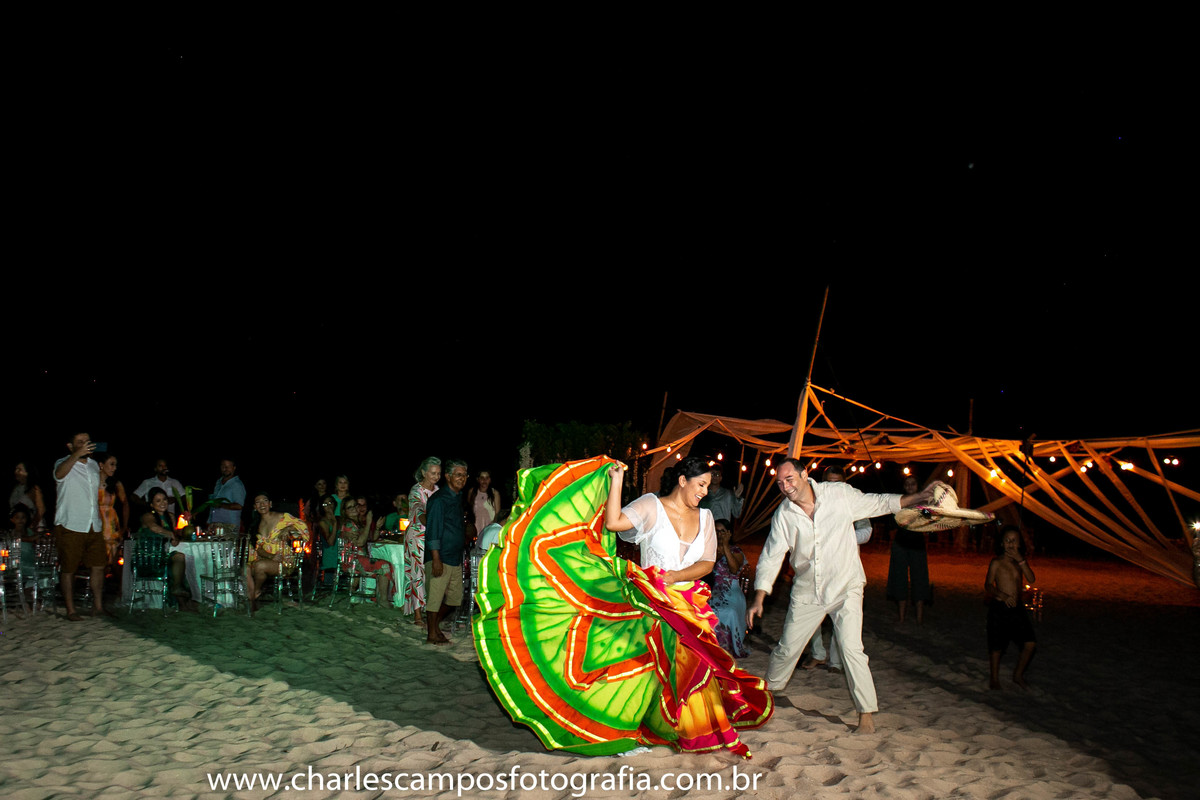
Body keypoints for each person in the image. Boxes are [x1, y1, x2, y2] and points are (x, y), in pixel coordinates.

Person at [475, 456, 772, 758]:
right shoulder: (651, 505)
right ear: (683, 481)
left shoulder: (707, 518)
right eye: (700, 484)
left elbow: (707, 562)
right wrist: (616, 482)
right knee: (642, 669)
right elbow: (614, 523)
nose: (704, 492)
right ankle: (625, 729)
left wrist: (677, 577)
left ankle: (673, 725)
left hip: (688, 603)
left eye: (707, 486)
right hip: (650, 600)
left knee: (688, 668)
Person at [747, 458, 936, 735]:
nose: (785, 487)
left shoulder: (838, 494)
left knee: (851, 648)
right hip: (808, 589)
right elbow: (771, 556)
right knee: (788, 647)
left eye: (789, 479)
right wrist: (759, 597)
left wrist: (917, 497)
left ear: (804, 474)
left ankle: (866, 714)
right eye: (779, 483)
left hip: (847, 585)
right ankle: (769, 692)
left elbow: (880, 502)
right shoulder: (784, 514)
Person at [803, 465, 873, 671]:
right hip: (818, 567)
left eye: (838, 482)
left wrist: (842, 537)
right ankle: (817, 653)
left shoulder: (852, 502)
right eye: (830, 482)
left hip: (845, 568)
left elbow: (866, 532)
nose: (834, 486)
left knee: (842, 616)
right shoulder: (813, 502)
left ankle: (835, 660)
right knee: (810, 611)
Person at [53, 431, 108, 620]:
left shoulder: (93, 465)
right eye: (80, 442)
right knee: (69, 568)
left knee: (99, 565)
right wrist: (76, 455)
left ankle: (98, 607)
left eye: (88, 441)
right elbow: (59, 475)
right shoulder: (62, 463)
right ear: (70, 446)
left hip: (93, 524)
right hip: (70, 523)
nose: (86, 444)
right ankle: (71, 610)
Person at [985, 525, 1037, 689]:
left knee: (1030, 643)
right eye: (1007, 540)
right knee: (996, 646)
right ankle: (994, 678)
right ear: (1001, 543)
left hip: (1017, 609)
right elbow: (988, 585)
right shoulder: (996, 562)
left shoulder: (1019, 563)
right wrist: (1002, 595)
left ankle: (1018, 675)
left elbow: (1031, 579)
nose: (1010, 544)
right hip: (999, 608)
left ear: (1019, 544)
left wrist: (1021, 560)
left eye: (1014, 541)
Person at [424, 459, 467, 644]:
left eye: (465, 475)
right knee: (435, 597)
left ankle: (434, 626)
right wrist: (435, 558)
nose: (462, 478)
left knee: (455, 599)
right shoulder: (439, 499)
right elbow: (432, 530)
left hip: (454, 557)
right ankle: (431, 633)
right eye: (458, 474)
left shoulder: (458, 497)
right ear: (448, 477)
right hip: (440, 556)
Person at [245, 492, 310, 615]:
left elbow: (303, 528)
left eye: (264, 501)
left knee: (260, 566)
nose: (262, 504)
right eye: (258, 502)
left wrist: (288, 528)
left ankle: (255, 594)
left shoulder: (282, 517)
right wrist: (270, 556)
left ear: (270, 504)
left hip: (284, 561)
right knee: (245, 568)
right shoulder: (255, 525)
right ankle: (252, 597)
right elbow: (257, 548)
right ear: (254, 506)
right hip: (265, 558)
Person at [136, 487, 193, 609]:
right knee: (176, 563)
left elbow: (175, 537)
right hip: (149, 557)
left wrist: (186, 523)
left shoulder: (171, 516)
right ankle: (180, 599)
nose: (163, 503)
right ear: (151, 504)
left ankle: (179, 595)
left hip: (164, 555)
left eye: (164, 499)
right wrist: (171, 534)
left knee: (180, 557)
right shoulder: (147, 516)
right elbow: (154, 528)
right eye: (158, 501)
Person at [886, 474, 931, 624]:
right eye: (907, 484)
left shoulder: (924, 504)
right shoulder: (899, 503)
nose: (910, 486)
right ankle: (901, 618)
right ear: (904, 487)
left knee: (920, 579)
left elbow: (929, 520)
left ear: (918, 486)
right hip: (900, 545)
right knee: (900, 579)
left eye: (913, 483)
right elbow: (892, 525)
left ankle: (919, 618)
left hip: (917, 545)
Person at [404, 456, 441, 626]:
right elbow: (419, 510)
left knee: (430, 573)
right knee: (417, 573)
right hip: (417, 536)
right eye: (433, 473)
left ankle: (429, 609)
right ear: (424, 473)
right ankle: (417, 614)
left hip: (432, 536)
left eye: (438, 473)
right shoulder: (415, 491)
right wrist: (431, 520)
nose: (436, 476)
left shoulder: (438, 490)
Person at [710, 517, 749, 658]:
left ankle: (726, 648)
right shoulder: (708, 548)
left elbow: (734, 569)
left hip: (731, 591)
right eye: (716, 530)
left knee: (728, 611)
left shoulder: (736, 551)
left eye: (722, 531)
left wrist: (725, 546)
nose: (718, 534)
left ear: (729, 533)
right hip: (711, 590)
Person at [96, 453, 130, 568]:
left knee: (113, 552)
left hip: (110, 523)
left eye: (115, 465)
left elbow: (125, 503)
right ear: (101, 465)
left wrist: (124, 526)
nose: (114, 468)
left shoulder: (115, 483)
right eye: (111, 464)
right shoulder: (92, 482)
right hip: (96, 519)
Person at [208, 459, 246, 530]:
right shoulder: (218, 482)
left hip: (229, 525)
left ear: (234, 468)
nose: (225, 468)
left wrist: (220, 505)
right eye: (223, 466)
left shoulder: (237, 484)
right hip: (215, 523)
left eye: (228, 466)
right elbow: (213, 503)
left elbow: (239, 506)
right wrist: (209, 520)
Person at [11, 461, 47, 531]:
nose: (16, 472)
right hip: (20, 527)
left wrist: (32, 526)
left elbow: (41, 510)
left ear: (27, 472)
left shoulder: (34, 488)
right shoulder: (16, 488)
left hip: (34, 528)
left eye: (19, 470)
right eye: (16, 469)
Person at [466, 470, 501, 538]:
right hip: (475, 528)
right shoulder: (472, 492)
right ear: (478, 479)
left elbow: (497, 513)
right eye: (482, 478)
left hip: (489, 527)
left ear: (490, 480)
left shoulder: (495, 493)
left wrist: (492, 527)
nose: (484, 480)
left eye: (487, 478)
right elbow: (469, 509)